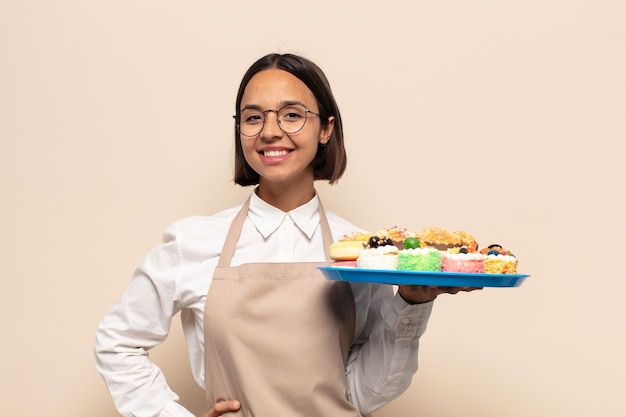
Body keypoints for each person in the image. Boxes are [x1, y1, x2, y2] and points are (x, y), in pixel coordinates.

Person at [94, 53, 476, 417]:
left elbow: (364, 393)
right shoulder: (193, 241)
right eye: (253, 117)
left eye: (292, 115)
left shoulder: (360, 252)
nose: (271, 131)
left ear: (326, 128)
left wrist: (411, 303)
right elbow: (117, 343)